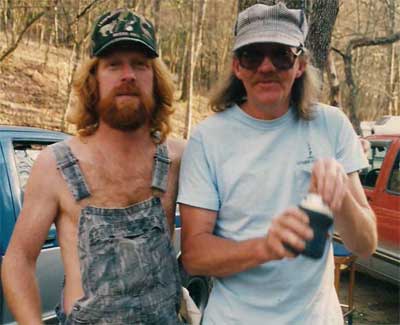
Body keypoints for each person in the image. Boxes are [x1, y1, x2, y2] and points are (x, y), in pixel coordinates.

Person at [177, 3, 377, 324]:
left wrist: (343, 200)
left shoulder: (331, 124)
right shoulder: (208, 138)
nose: (266, 67)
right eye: (252, 55)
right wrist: (266, 247)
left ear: (300, 65)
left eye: (281, 55)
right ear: (237, 66)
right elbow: (195, 256)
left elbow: (365, 245)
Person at [2, 9, 184, 324]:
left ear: (156, 80)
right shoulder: (55, 165)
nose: (128, 74)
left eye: (140, 64)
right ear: (93, 80)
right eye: (114, 64)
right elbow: (17, 260)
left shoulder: (178, 158)